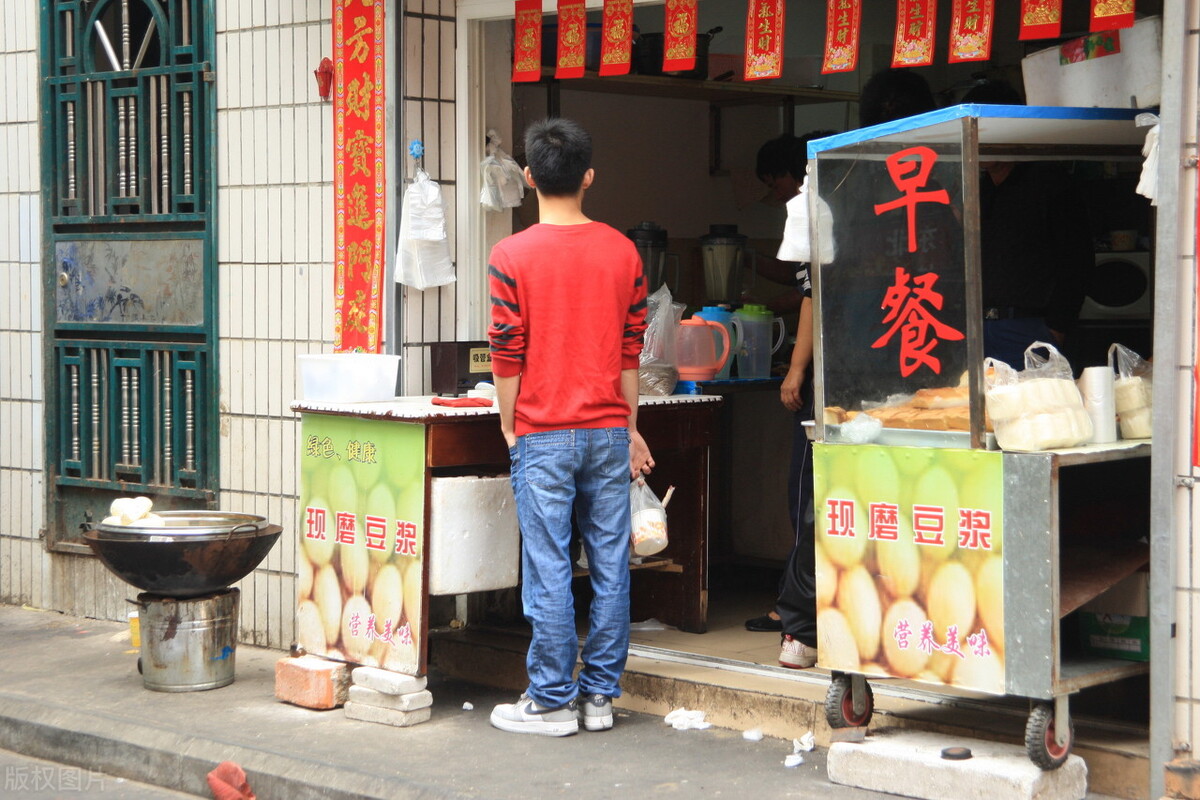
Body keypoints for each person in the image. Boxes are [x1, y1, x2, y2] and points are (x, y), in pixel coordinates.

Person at [486, 118, 654, 737]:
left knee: (549, 565)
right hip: (609, 429)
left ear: (529, 177)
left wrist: (509, 423)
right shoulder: (623, 252)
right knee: (611, 563)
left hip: (543, 431)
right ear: (588, 177)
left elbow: (507, 351)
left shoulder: (510, 256)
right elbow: (632, 352)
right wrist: (629, 428)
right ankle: (599, 698)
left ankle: (551, 698)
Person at [963, 78, 1091, 366]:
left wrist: (1057, 328)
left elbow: (1077, 261)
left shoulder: (1049, 182)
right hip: (979, 328)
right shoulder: (978, 188)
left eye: (988, 130)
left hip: (1031, 327)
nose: (981, 140)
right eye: (975, 132)